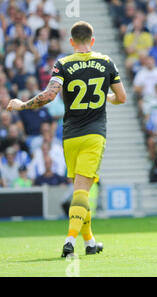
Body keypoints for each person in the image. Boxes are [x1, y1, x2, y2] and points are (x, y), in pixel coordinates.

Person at [6, 21, 127, 257]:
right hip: (94, 134)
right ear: (92, 41)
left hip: (70, 135)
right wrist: (106, 97)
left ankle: (90, 243)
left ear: (71, 42)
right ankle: (70, 241)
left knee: (79, 189)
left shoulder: (63, 64)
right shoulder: (106, 62)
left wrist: (22, 105)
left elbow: (50, 95)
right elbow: (121, 97)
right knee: (82, 191)